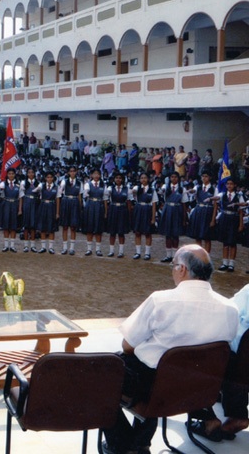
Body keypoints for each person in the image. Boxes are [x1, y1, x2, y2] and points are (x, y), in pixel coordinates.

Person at [100, 245, 238, 454]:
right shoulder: (230, 309)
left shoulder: (160, 300)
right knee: (157, 368)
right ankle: (140, 444)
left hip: (157, 386)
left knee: (99, 375)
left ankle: (123, 445)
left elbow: (127, 345)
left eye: (173, 266)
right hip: (198, 391)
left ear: (182, 269)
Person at [188, 284, 249, 441]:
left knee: (194, 355)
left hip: (239, 359)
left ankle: (213, 417)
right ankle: (226, 397)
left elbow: (227, 310)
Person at [157, 172, 188, 264]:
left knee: (175, 234)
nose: (173, 179)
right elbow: (160, 191)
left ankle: (175, 256)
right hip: (167, 210)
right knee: (167, 234)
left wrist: (184, 217)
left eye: (175, 177)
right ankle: (168, 255)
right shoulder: (165, 187)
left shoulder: (182, 189)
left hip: (177, 211)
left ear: (178, 179)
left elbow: (184, 204)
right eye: (172, 177)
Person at [216, 177, 244, 273]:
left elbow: (241, 211)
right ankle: (225, 262)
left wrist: (241, 224)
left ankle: (231, 264)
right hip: (224, 218)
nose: (229, 186)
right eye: (227, 184)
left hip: (234, 219)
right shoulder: (223, 195)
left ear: (235, 185)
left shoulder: (239, 196)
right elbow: (216, 198)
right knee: (225, 242)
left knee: (232, 242)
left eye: (231, 184)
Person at [187, 170, 217, 253]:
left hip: (208, 212)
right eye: (203, 176)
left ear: (210, 177)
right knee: (197, 236)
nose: (204, 178)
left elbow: (215, 205)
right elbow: (193, 191)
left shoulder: (214, 189)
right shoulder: (198, 187)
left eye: (206, 176)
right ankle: (199, 255)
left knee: (207, 237)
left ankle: (206, 256)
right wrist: (190, 191)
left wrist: (213, 219)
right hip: (198, 212)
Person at [57, 166, 82, 255]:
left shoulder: (79, 183)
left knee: (73, 226)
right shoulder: (64, 181)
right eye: (70, 171)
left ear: (76, 172)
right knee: (65, 226)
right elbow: (59, 193)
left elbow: (79, 195)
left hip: (75, 203)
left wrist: (80, 207)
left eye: (74, 171)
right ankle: (64, 248)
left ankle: (72, 248)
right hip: (66, 202)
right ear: (68, 172)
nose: (72, 173)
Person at [106, 172, 132, 258]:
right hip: (113, 209)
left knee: (121, 232)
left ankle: (121, 251)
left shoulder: (127, 189)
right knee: (112, 232)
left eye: (120, 178)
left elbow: (129, 202)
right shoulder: (110, 188)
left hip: (122, 210)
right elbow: (106, 199)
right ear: (114, 179)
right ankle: (111, 251)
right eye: (116, 178)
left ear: (123, 179)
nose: (118, 179)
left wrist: (128, 213)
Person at [132, 172, 157, 261]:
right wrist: (133, 191)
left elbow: (154, 204)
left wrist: (153, 217)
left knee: (147, 232)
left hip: (147, 210)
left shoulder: (152, 190)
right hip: (138, 209)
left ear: (148, 179)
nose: (143, 179)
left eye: (145, 178)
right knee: (137, 232)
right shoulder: (137, 188)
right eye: (142, 178)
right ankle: (138, 252)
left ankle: (147, 253)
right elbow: (132, 193)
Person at [82, 168, 106, 256]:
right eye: (94, 174)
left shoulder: (103, 185)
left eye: (98, 174)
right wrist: (86, 192)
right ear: (91, 175)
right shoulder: (88, 184)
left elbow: (105, 199)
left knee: (98, 228)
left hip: (99, 205)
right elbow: (86, 192)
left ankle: (98, 249)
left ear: (100, 175)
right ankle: (89, 249)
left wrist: (105, 211)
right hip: (90, 205)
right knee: (90, 227)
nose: (96, 176)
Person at [35, 171, 58, 253]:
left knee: (51, 228)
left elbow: (58, 200)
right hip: (43, 206)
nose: (49, 179)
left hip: (52, 206)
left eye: (51, 177)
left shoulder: (56, 187)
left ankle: (51, 248)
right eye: (47, 177)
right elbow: (34, 191)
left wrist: (57, 212)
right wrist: (38, 187)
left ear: (53, 178)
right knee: (42, 227)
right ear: (45, 178)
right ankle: (43, 247)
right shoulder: (42, 186)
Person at [20, 167, 40, 252]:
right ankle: (25, 246)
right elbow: (21, 195)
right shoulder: (23, 182)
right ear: (27, 174)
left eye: (32, 172)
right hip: (26, 203)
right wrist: (21, 208)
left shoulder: (38, 183)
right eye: (29, 172)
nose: (31, 174)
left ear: (34, 173)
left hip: (35, 204)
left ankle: (33, 246)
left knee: (33, 226)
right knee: (26, 225)